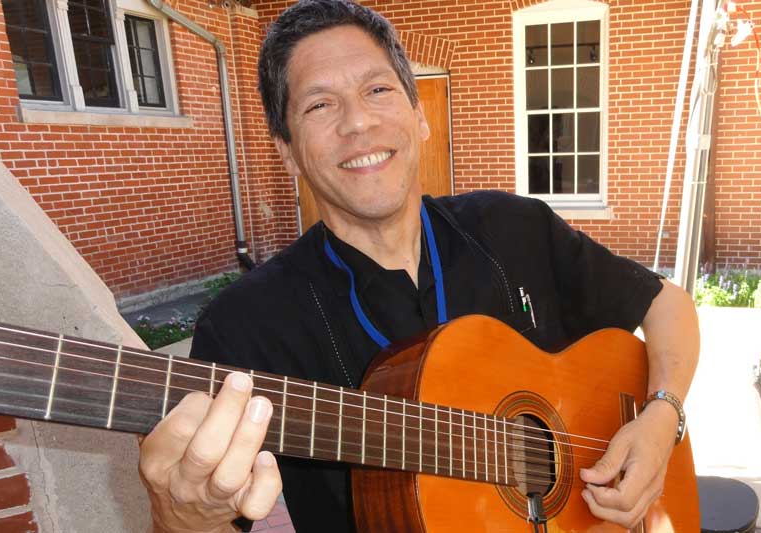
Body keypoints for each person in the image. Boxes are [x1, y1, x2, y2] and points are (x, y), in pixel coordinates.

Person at [138, 1, 700, 532]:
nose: (358, 123)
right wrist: (183, 515)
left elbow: (666, 303)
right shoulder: (244, 326)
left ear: (418, 114)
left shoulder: (512, 227)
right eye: (319, 105)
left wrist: (662, 415)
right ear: (286, 150)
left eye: (377, 89)